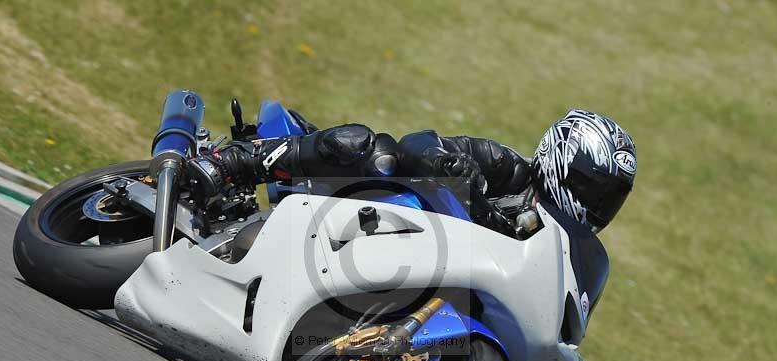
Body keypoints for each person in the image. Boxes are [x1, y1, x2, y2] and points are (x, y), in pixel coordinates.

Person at [187, 108, 636, 233]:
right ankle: (232, 164)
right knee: (372, 147)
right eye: (593, 189)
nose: (598, 206)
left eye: (608, 198)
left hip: (415, 270)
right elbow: (419, 143)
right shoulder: (505, 169)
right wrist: (450, 164)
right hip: (377, 211)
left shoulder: (554, 246)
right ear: (562, 161)